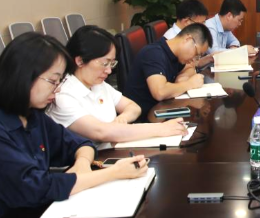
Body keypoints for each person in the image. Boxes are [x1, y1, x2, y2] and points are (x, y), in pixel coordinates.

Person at [0, 32, 147, 218]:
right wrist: (113, 173)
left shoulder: (33, 117)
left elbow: (82, 144)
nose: (57, 90)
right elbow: (36, 188)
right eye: (53, 81)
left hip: (29, 217)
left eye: (59, 81)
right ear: (23, 77)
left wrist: (82, 163)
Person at [48, 26, 188, 149]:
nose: (109, 71)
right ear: (80, 61)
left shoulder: (98, 84)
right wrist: (160, 129)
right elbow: (101, 132)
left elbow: (134, 107)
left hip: (112, 150)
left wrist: (123, 119)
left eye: (112, 64)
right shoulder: (63, 95)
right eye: (105, 63)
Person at [123, 23, 212, 116]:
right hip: (141, 117)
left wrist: (183, 77)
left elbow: (190, 67)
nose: (194, 60)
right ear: (188, 39)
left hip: (162, 111)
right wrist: (189, 84)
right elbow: (160, 92)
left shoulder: (178, 55)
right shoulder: (154, 54)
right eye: (196, 54)